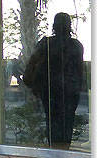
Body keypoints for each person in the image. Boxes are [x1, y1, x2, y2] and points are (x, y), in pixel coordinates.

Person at [23, 12, 85, 149]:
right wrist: (77, 90)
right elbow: (80, 73)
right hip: (69, 92)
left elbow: (33, 62)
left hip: (50, 91)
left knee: (52, 123)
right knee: (67, 124)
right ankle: (63, 150)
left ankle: (55, 152)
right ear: (69, 26)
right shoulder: (76, 46)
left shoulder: (46, 43)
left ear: (54, 26)